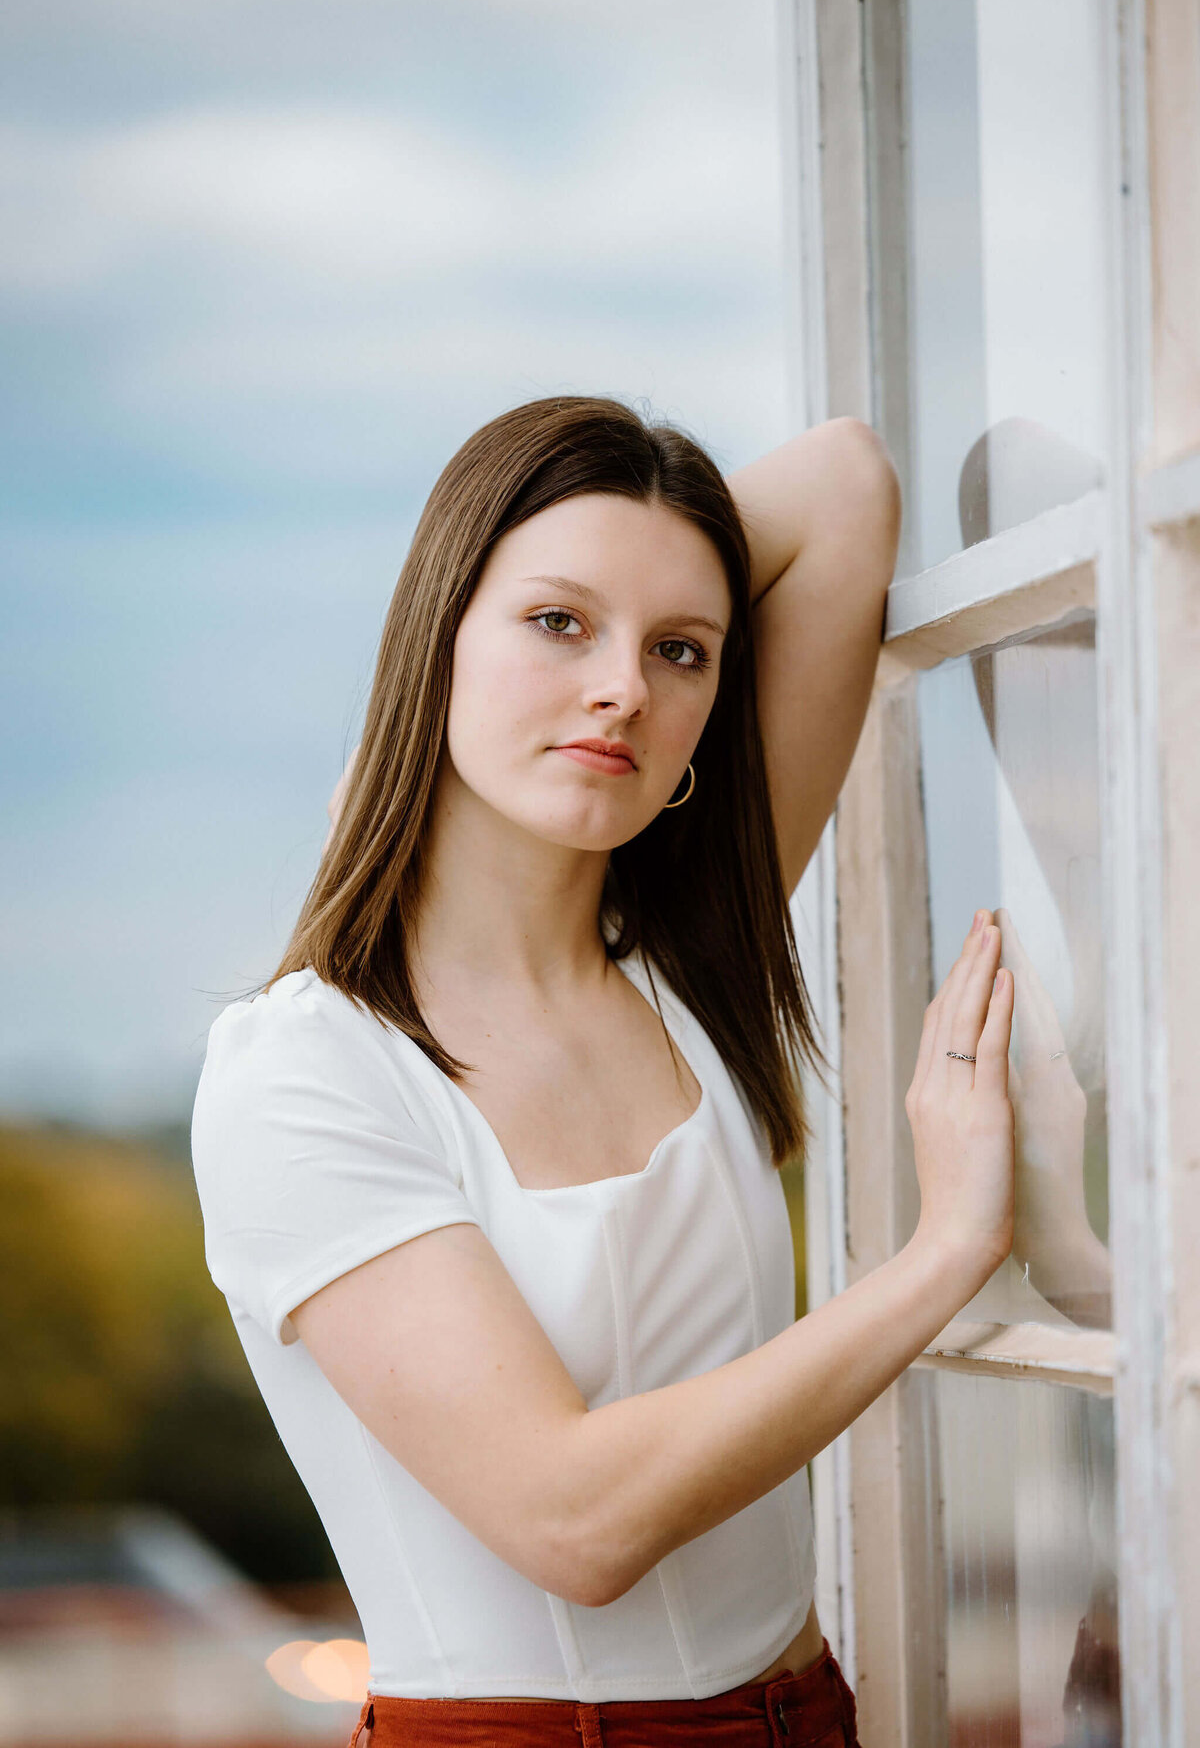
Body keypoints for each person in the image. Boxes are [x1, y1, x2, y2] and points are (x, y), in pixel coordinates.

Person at [191, 395, 1016, 1747]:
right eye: (555, 623)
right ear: (435, 637)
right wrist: (946, 1253)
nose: (624, 689)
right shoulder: (307, 1074)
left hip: (808, 1717)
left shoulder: (690, 973)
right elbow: (576, 1523)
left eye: (680, 651)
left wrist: (599, 594)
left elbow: (845, 486)